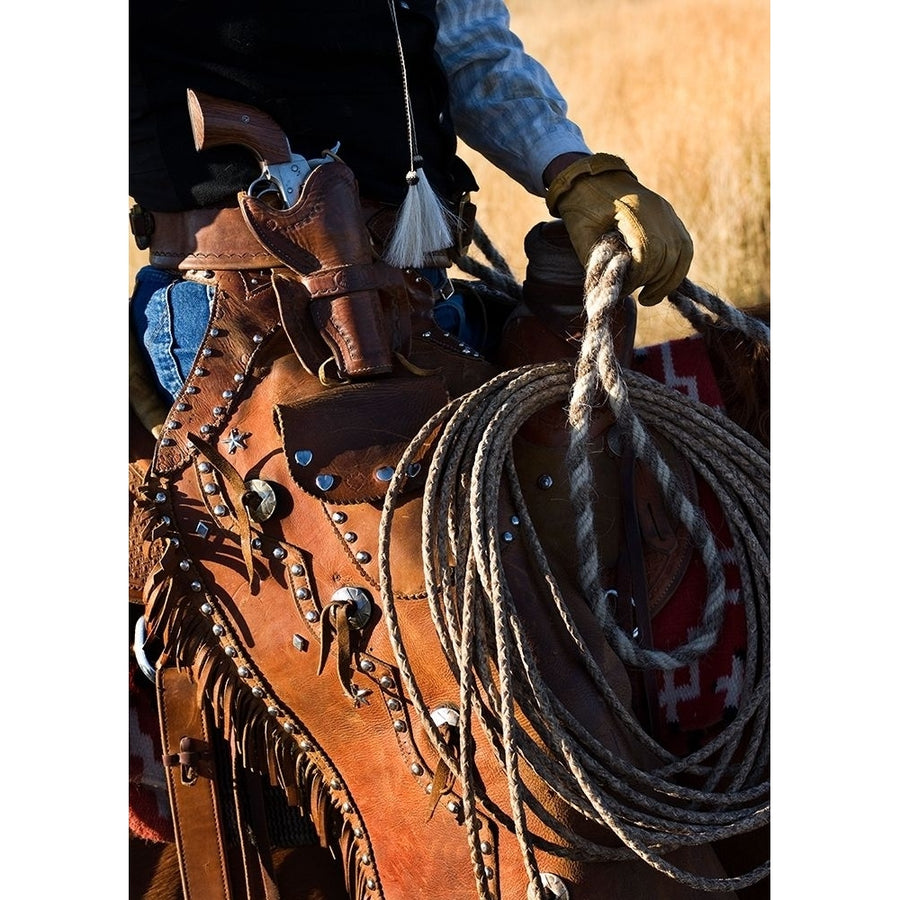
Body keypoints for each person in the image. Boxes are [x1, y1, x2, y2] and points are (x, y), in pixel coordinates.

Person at [128, 2, 715, 898]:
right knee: (444, 662)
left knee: (575, 571)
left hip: (412, 293)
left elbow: (467, 39)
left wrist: (572, 167)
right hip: (245, 308)